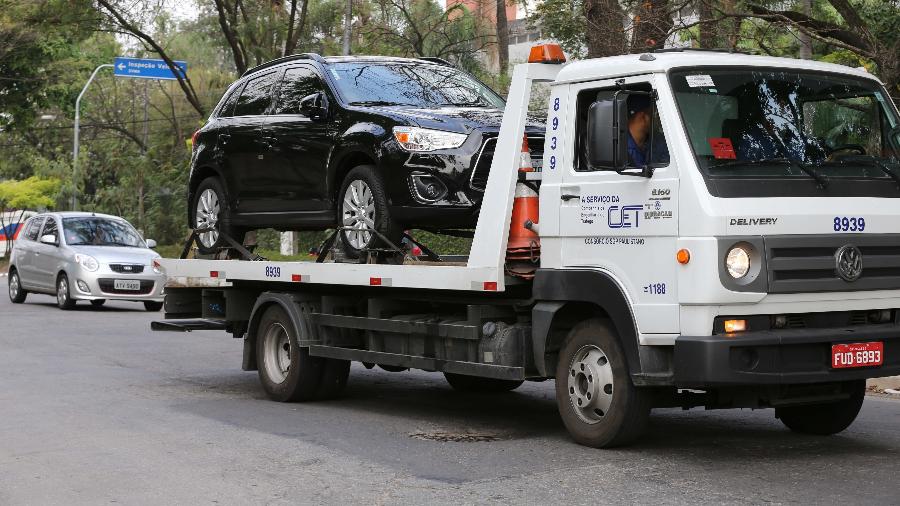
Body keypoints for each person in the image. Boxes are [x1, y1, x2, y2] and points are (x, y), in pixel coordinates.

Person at [626, 94, 669, 167]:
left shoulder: (658, 142)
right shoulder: (618, 147)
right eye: (656, 114)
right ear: (643, 116)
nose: (659, 119)